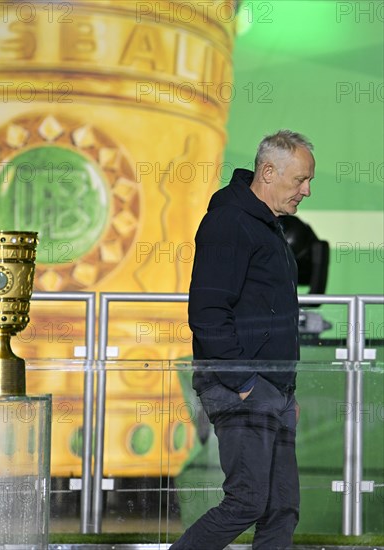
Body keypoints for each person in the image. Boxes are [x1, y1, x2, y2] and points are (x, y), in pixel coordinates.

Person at [170, 130, 315, 550]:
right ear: (268, 172)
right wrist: (246, 383)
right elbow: (207, 314)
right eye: (300, 180)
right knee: (248, 501)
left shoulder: (266, 226)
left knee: (281, 508)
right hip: (242, 387)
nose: (306, 191)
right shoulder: (230, 222)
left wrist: (284, 392)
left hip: (271, 389)